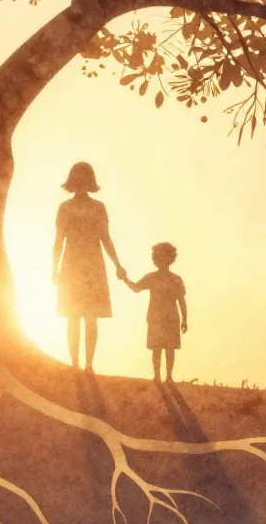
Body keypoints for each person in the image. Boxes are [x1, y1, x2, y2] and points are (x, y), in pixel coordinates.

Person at [52, 161, 124, 373]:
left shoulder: (99, 207)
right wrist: (53, 267)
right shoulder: (64, 207)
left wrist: (118, 264)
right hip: (72, 264)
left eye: (85, 179)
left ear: (90, 181)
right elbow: (59, 239)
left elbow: (105, 238)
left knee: (91, 317)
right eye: (78, 179)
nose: (81, 183)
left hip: (93, 265)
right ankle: (74, 363)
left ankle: (89, 364)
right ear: (73, 181)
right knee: (73, 316)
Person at [119, 242, 188, 382]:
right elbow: (136, 288)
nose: (160, 260)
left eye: (164, 257)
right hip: (155, 317)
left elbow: (181, 301)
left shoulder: (176, 280)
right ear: (155, 259)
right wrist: (124, 278)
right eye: (158, 257)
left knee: (170, 348)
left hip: (171, 317)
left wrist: (185, 320)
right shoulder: (151, 277)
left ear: (170, 258)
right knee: (156, 348)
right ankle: (157, 375)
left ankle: (169, 376)